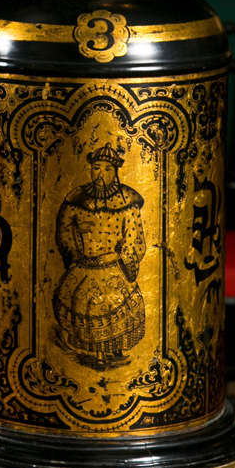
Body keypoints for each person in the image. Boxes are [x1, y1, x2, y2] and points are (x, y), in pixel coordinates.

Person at [52, 142, 146, 367]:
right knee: (84, 306)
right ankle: (94, 354)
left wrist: (129, 262)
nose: (100, 173)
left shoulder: (127, 200)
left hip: (113, 265)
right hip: (85, 265)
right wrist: (73, 257)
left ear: (115, 171)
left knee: (119, 309)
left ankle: (113, 351)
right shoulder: (77, 199)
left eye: (106, 168)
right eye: (96, 168)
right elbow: (64, 231)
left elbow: (134, 237)